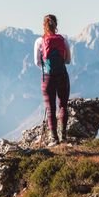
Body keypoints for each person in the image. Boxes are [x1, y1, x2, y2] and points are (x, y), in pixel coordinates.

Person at [34, 14, 71, 146]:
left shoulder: (39, 41)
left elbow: (37, 62)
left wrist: (46, 68)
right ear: (56, 25)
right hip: (62, 75)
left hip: (47, 77)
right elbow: (68, 60)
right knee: (63, 106)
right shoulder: (63, 40)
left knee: (50, 108)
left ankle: (54, 138)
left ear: (44, 25)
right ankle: (63, 136)